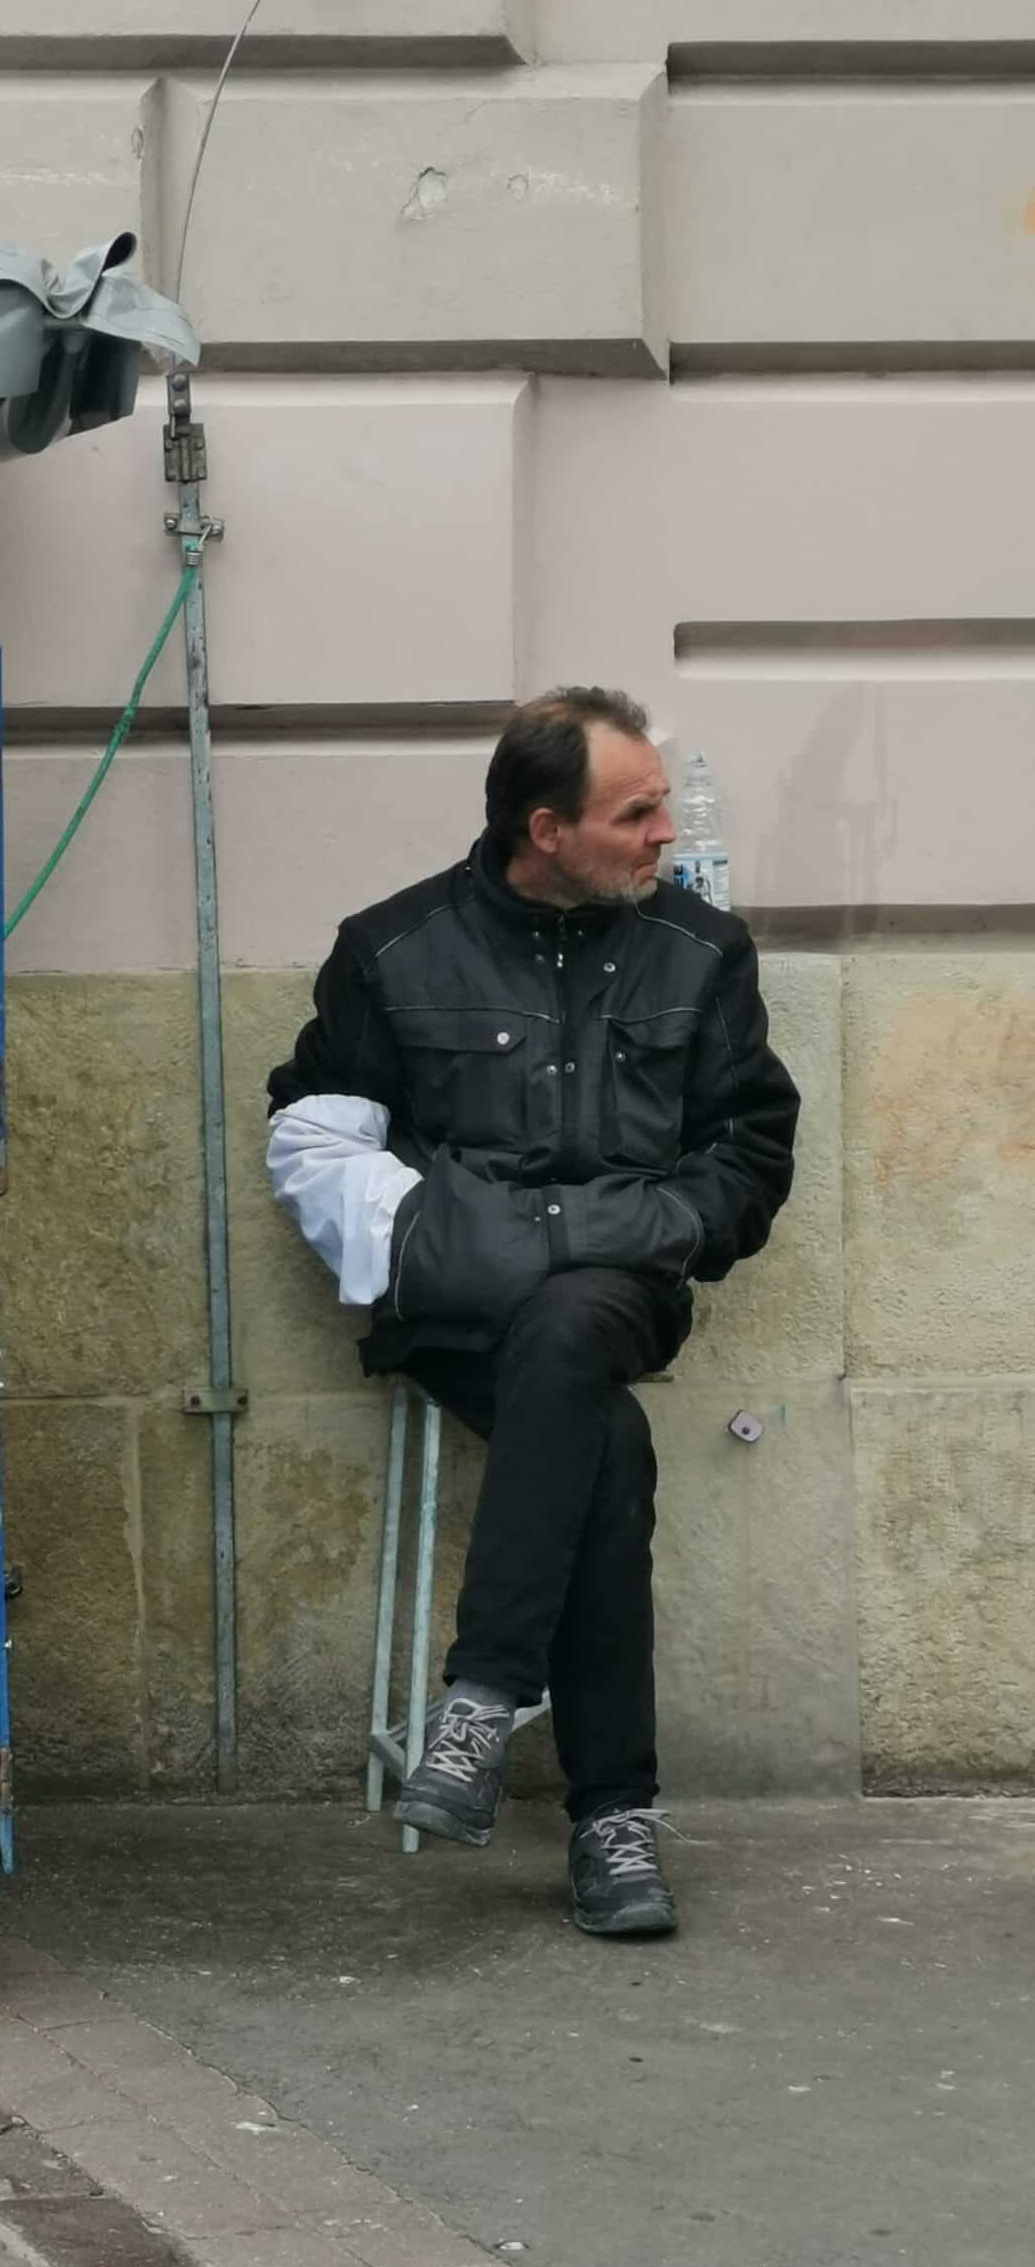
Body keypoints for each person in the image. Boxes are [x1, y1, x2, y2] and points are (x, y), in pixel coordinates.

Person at [266, 688, 798, 1938]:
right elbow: (312, 1129)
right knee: (600, 1441)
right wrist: (418, 1239)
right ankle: (613, 1824)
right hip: (460, 1314)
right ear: (547, 827)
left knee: (572, 1333)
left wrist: (589, 1234)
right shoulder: (393, 947)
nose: (667, 830)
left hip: (619, 1295)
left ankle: (480, 1699)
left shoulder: (701, 949)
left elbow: (749, 1159)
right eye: (638, 811)